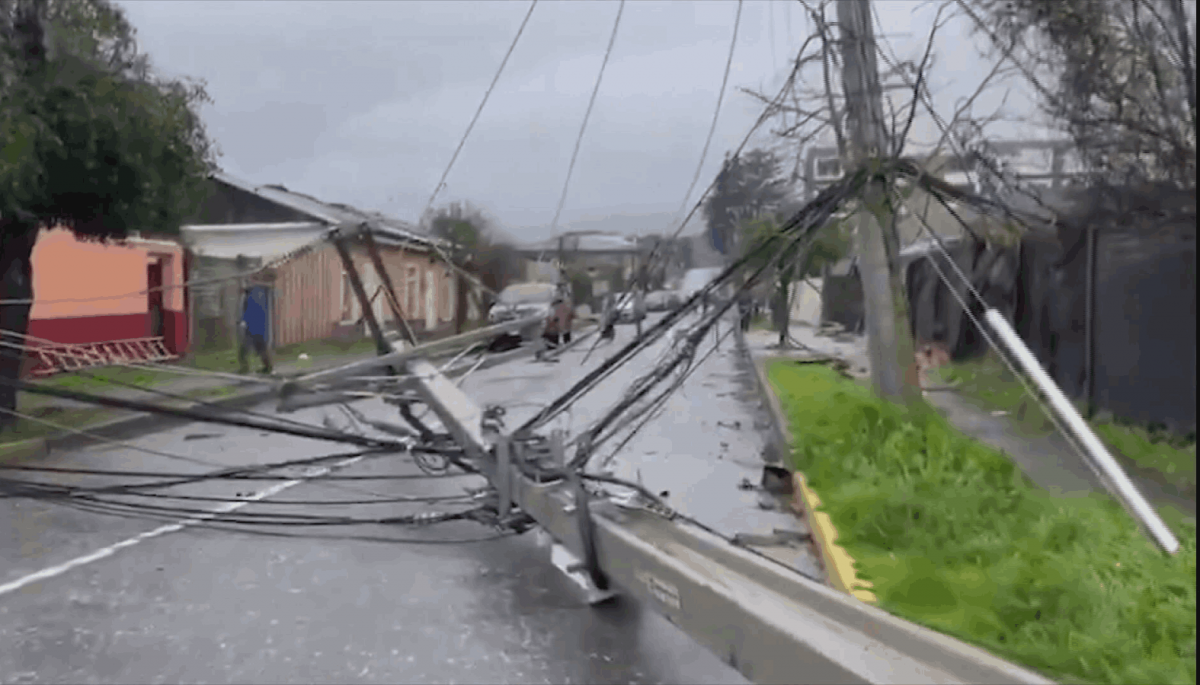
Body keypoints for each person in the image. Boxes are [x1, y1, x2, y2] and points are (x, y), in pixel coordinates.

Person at [238, 280, 273, 374]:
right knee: (259, 349)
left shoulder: (253, 295)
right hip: (254, 327)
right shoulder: (251, 295)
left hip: (253, 328)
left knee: (250, 349)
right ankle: (267, 368)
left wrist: (244, 321)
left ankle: (265, 368)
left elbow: (251, 311)